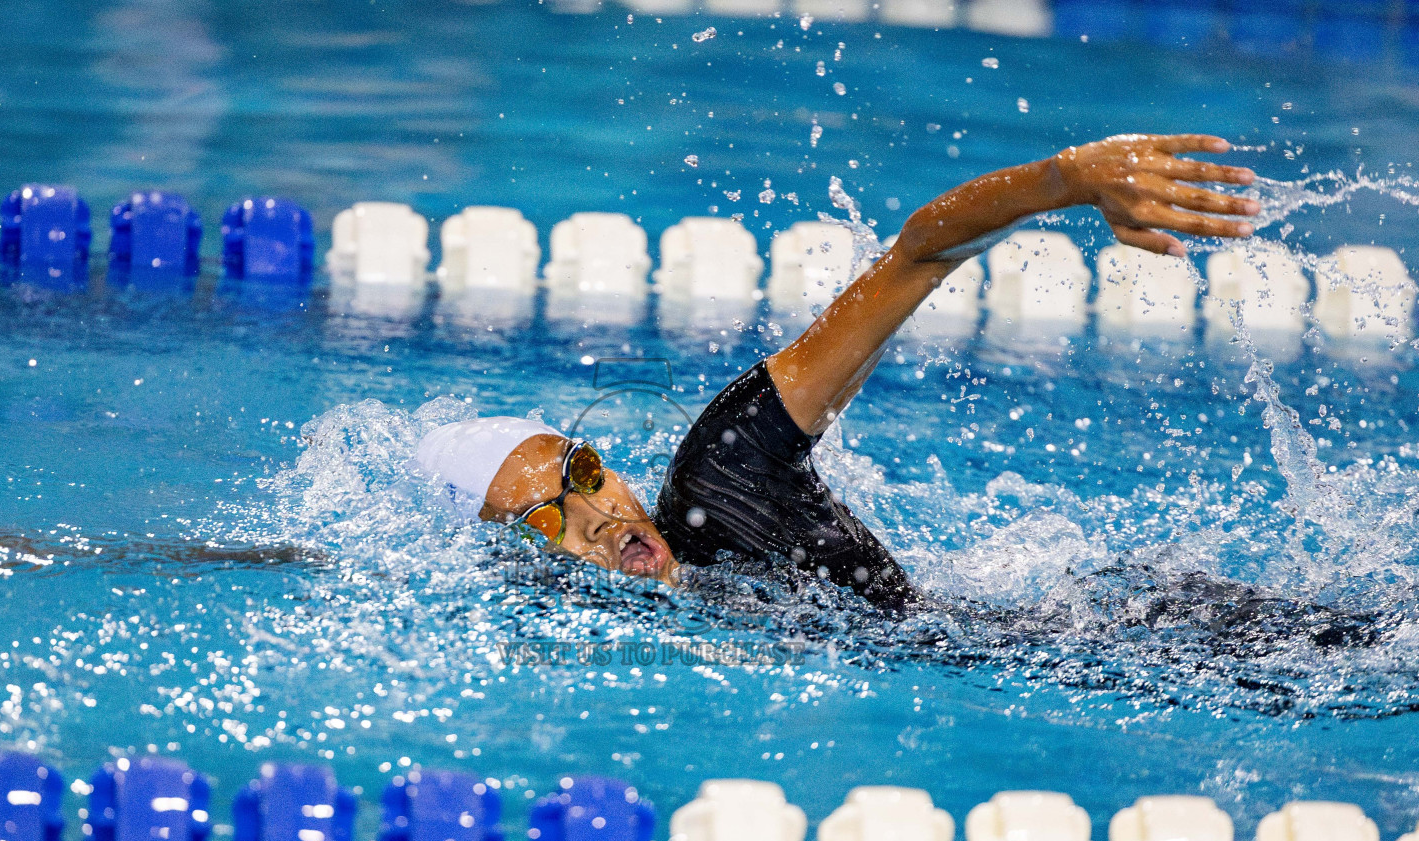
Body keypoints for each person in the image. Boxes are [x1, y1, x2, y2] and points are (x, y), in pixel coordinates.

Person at [414, 134, 1261, 613]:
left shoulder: (725, 478)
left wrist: (1066, 179)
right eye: (543, 523)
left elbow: (918, 255)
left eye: (585, 475)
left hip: (1136, 636)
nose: (595, 521)